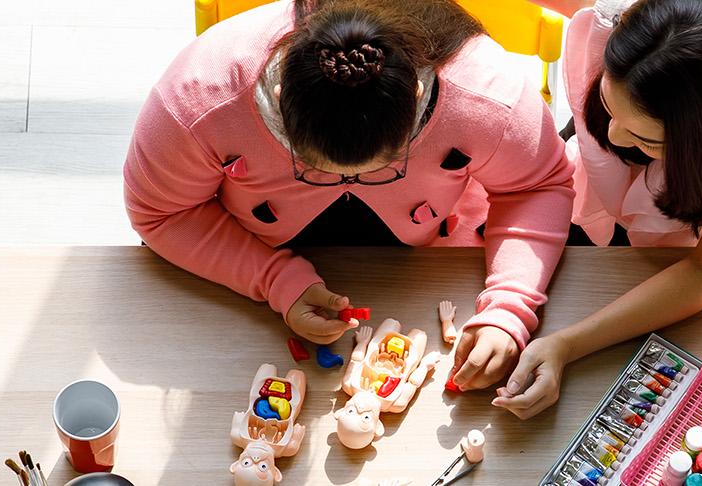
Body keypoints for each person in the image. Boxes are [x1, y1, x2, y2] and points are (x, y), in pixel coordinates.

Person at [124, 0, 572, 390]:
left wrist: (509, 307)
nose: (347, 182)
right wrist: (273, 279)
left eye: (383, 168)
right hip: (239, 274)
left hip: (435, 266)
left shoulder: (488, 96)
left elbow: (538, 186)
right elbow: (161, 213)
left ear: (415, 97)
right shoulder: (199, 99)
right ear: (280, 97)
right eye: (312, 169)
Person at [494, 0, 702, 418]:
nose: (609, 133)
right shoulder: (620, 29)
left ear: (701, 142)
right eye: (609, 106)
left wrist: (567, 343)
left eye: (645, 138)